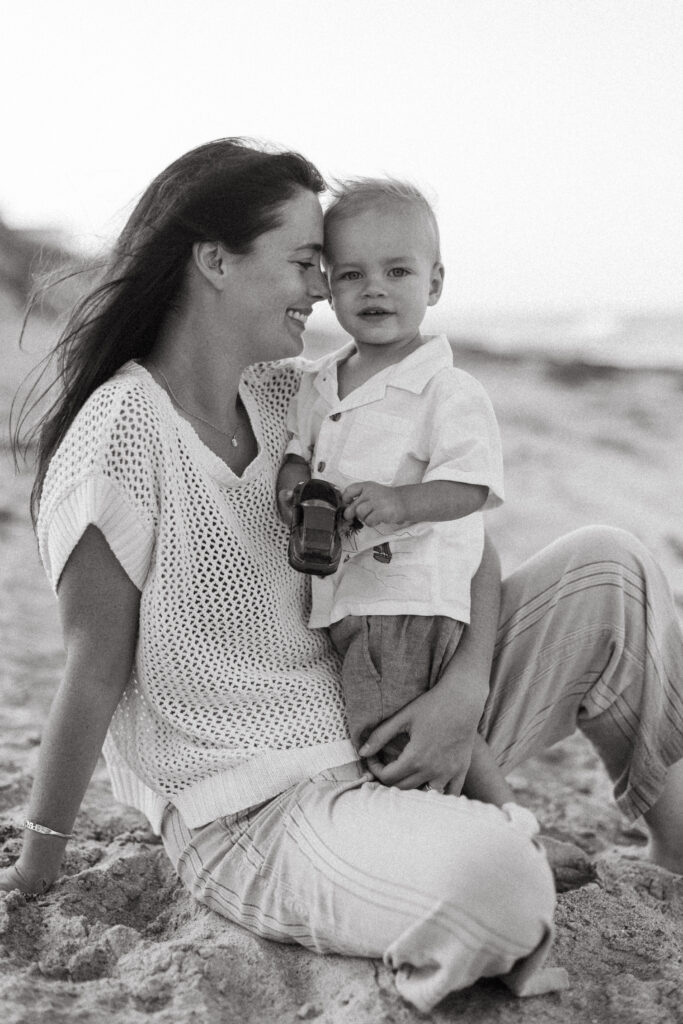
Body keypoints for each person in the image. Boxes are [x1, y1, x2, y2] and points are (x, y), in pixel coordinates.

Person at [2, 138, 683, 1015]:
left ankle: (674, 844)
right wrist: (39, 859)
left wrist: (463, 693)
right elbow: (91, 671)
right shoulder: (120, 439)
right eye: (303, 261)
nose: (324, 288)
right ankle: (464, 856)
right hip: (259, 811)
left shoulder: (300, 397)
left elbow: (462, 538)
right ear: (214, 260)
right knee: (501, 884)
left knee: (611, 565)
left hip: (402, 721)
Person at [278, 178, 528, 821]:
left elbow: (473, 487)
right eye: (352, 274)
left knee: (392, 733)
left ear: (434, 284)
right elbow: (301, 450)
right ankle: (500, 821)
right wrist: (292, 478)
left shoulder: (448, 389)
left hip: (412, 598)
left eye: (397, 271)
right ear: (329, 286)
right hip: (345, 601)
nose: (374, 289)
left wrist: (402, 501)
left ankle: (500, 823)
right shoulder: (319, 380)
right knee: (390, 719)